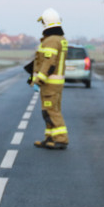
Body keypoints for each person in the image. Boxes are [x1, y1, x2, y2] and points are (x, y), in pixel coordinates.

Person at [27, 8, 69, 150]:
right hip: (55, 83)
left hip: (50, 83)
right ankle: (50, 138)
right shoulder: (59, 39)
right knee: (50, 111)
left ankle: (61, 139)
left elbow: (48, 63)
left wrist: (38, 80)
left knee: (51, 111)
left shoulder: (51, 41)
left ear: (46, 22)